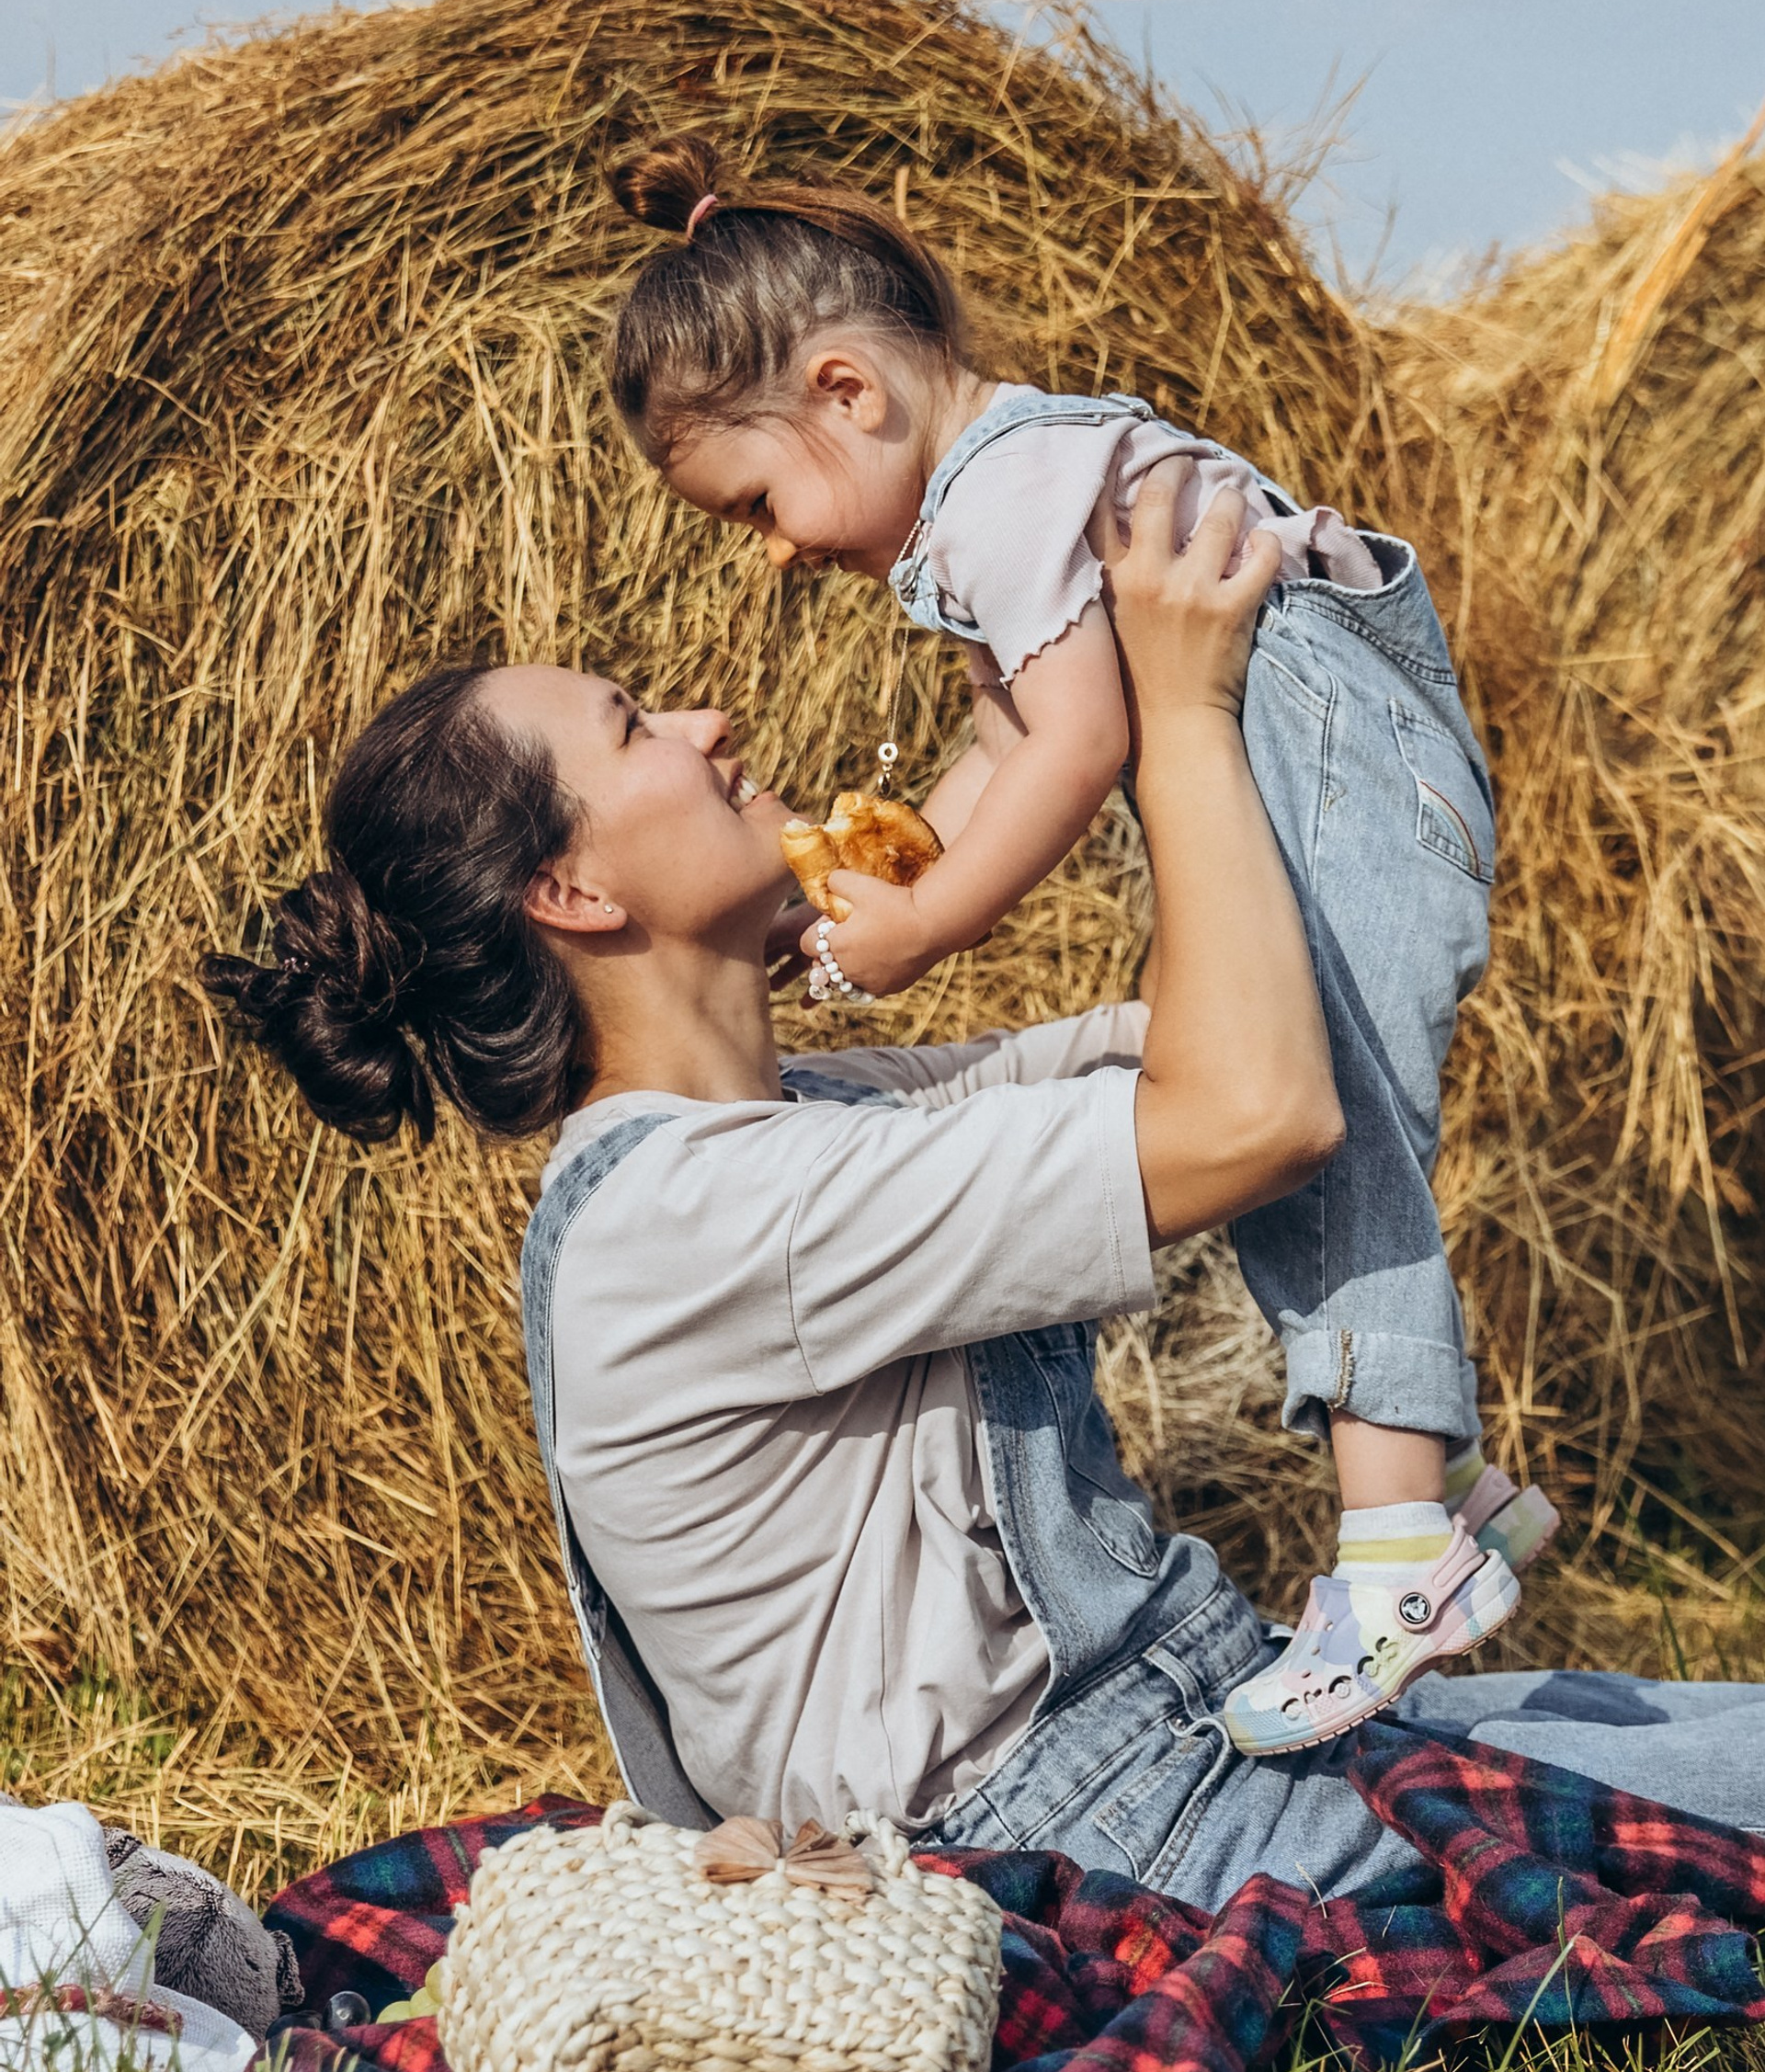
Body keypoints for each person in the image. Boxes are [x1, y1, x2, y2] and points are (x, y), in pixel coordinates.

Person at [201, 472, 1765, 1907]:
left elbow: (1208, 1041)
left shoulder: (809, 1121)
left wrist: (1053, 712)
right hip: (1077, 1832)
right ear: (572, 890)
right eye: (632, 729)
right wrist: (1186, 708)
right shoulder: (704, 1216)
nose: (709, 722)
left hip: (1172, 1738)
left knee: (1689, 1735)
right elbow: (1263, 1112)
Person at [599, 132, 1551, 1757]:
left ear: (846, 392)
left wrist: (931, 926)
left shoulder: (1001, 496)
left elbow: (1083, 743)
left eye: (756, 502)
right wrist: (871, 891)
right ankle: (1445, 1482)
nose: (773, 547)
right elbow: (1007, 742)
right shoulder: (1001, 494)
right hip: (1347, 765)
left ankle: (1399, 1549)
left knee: (1322, 1121)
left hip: (1348, 768)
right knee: (1277, 1105)